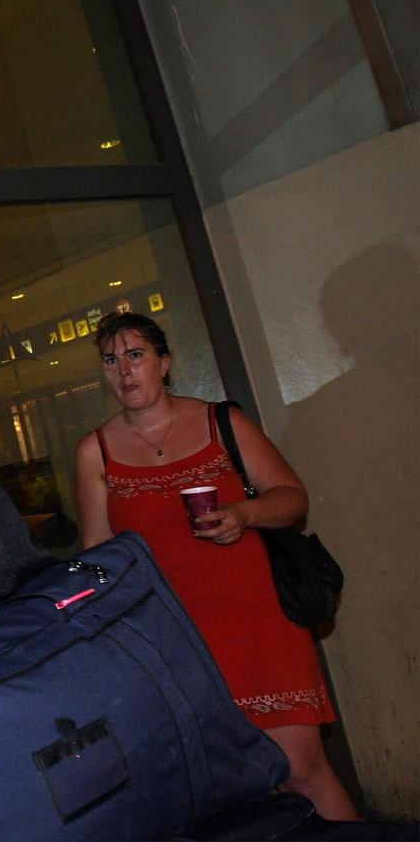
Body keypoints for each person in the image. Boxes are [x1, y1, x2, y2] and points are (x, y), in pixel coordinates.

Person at [74, 312, 356, 821]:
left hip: (257, 622)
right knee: (240, 790)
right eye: (111, 361)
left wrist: (244, 514)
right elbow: (98, 552)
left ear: (164, 363)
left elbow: (292, 499)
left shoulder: (219, 421)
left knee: (301, 771)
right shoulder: (95, 450)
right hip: (175, 637)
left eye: (135, 356)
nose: (124, 372)